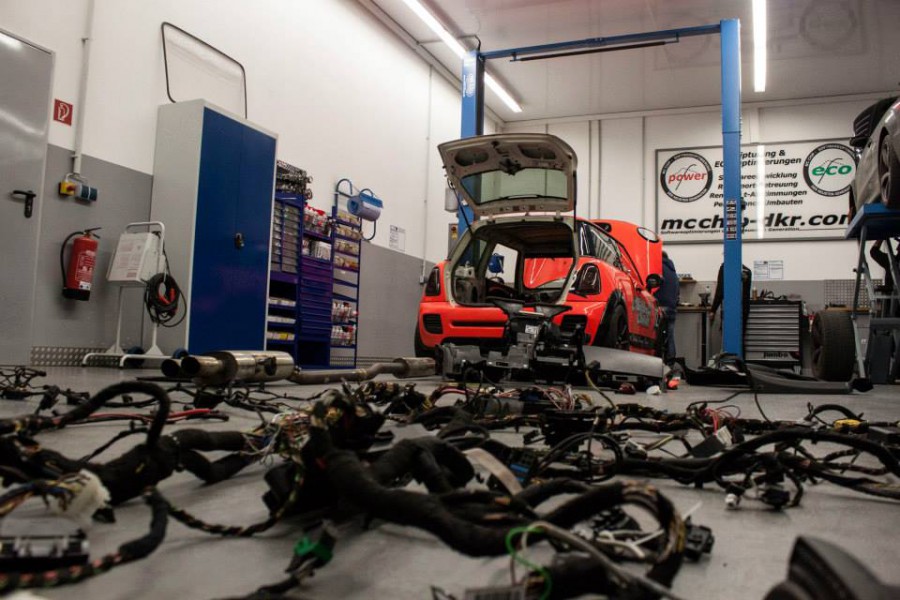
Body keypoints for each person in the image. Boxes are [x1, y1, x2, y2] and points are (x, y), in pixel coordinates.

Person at [709, 262, 752, 347]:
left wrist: (713, 310)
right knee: (740, 340)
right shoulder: (747, 271)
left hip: (730, 310)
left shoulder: (724, 268)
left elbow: (720, 291)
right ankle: (739, 355)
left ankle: (730, 355)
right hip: (744, 310)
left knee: (729, 340)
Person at [654, 251, 679, 364]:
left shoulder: (657, 268)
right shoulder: (673, 271)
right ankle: (671, 361)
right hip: (672, 308)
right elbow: (678, 291)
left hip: (660, 306)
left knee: (656, 336)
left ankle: (657, 362)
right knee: (670, 336)